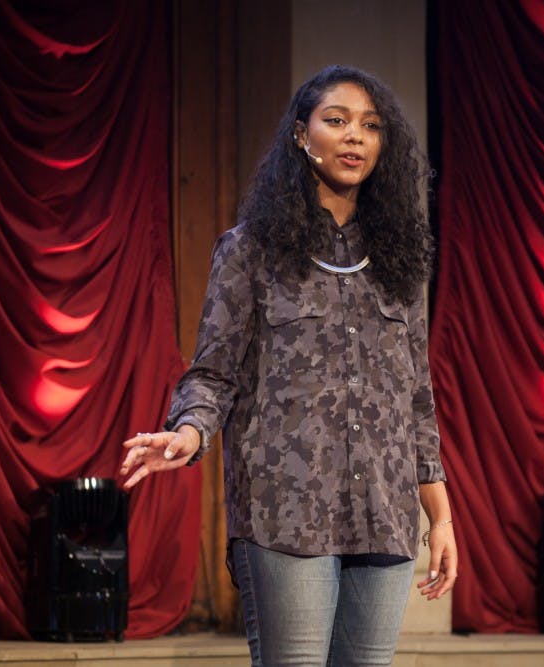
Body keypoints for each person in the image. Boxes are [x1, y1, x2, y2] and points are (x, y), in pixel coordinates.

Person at [118, 64, 457, 665]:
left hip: (384, 516)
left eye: (370, 126)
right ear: (301, 134)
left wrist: (441, 518)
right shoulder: (251, 249)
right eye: (337, 120)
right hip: (286, 514)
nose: (355, 136)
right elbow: (214, 372)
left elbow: (416, 400)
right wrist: (189, 432)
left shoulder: (398, 262)